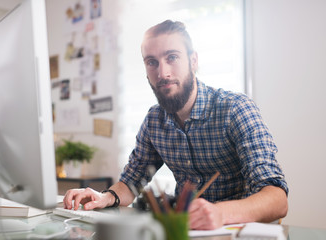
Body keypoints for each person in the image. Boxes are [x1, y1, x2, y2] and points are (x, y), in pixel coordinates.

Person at [63, 20, 288, 230]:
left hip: (239, 230)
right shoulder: (154, 121)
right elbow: (130, 183)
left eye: (172, 57)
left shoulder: (236, 109)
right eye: (152, 62)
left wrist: (220, 213)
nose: (163, 73)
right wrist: (105, 197)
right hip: (187, 232)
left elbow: (277, 200)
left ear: (193, 61)